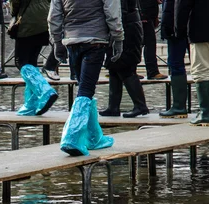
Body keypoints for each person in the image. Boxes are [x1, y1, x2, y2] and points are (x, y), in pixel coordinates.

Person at [50, 0, 123, 156]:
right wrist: (118, 38)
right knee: (86, 89)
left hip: (72, 41)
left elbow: (54, 16)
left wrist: (57, 42)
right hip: (95, 40)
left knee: (83, 87)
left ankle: (94, 138)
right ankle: (73, 137)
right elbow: (112, 12)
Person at [100, 0, 148, 118]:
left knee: (126, 68)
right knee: (114, 67)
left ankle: (140, 106)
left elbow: (118, 11)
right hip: (127, 25)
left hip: (125, 27)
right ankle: (113, 107)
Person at [12, 0, 58, 116]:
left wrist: (14, 13)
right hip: (44, 20)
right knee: (32, 62)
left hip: (28, 20)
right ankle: (32, 104)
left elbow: (16, 2)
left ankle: (44, 91)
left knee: (21, 62)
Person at [159, 0, 188, 118]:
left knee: (175, 64)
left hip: (176, 28)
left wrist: (167, 28)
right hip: (194, 26)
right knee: (203, 66)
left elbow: (170, 8)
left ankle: (179, 106)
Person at [140, 0, 167, 79]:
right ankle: (152, 72)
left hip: (147, 14)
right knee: (149, 44)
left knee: (145, 43)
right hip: (144, 15)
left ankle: (131, 71)